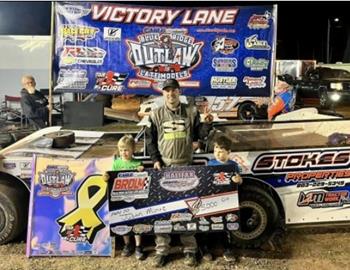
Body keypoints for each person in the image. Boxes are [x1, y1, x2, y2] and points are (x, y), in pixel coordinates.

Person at [146, 78, 213, 267]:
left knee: (187, 210)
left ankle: (190, 250)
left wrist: (207, 123)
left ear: (179, 91)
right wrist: (155, 161)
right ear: (163, 93)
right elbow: (150, 141)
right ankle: (162, 251)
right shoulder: (156, 114)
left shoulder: (191, 111)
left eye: (173, 90)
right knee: (162, 211)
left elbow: (200, 135)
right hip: (164, 168)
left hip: (186, 167)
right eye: (167, 91)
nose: (170, 94)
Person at [202, 134, 242, 263]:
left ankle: (227, 249)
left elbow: (239, 179)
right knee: (208, 226)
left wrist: (238, 180)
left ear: (229, 152)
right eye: (215, 151)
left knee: (226, 227)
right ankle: (206, 249)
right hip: (211, 200)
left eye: (221, 152)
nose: (217, 154)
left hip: (227, 201)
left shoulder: (233, 165)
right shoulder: (210, 164)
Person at [105, 134, 146, 260]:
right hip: (120, 199)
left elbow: (144, 179)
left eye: (127, 149)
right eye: (122, 150)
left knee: (137, 221)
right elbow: (110, 177)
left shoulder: (137, 163)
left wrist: (141, 170)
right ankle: (127, 244)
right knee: (122, 222)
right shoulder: (116, 164)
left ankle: (139, 246)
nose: (124, 152)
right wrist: (106, 177)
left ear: (133, 150)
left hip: (136, 199)